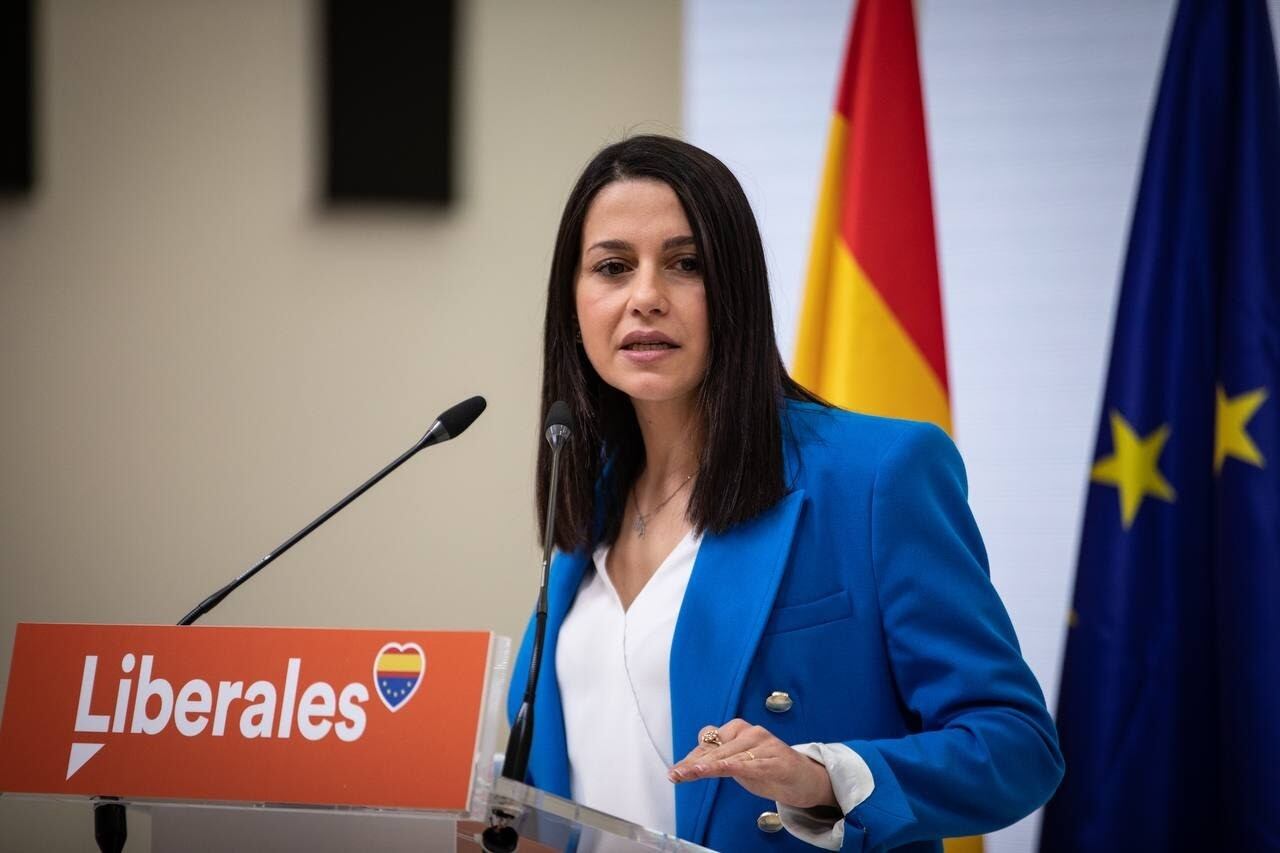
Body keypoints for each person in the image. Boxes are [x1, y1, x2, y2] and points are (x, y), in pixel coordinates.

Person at [507, 135, 1063, 852]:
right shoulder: (588, 497)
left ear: (736, 289)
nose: (645, 297)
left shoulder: (877, 474)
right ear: (573, 301)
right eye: (613, 267)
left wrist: (824, 777)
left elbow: (1016, 746)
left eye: (686, 264)